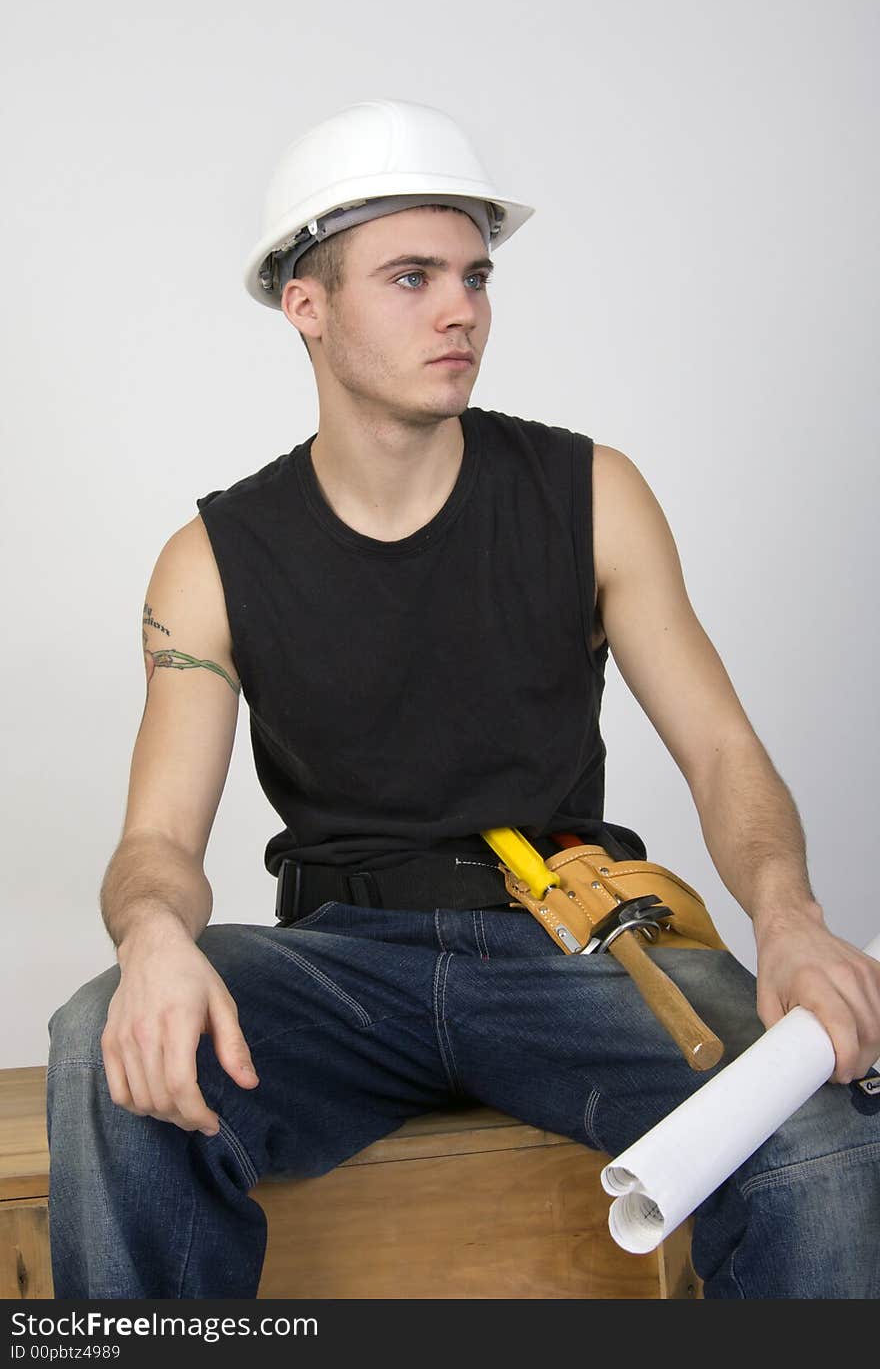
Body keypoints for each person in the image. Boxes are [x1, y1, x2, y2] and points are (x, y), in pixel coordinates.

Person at [46, 98, 880, 1299]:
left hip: (575, 953)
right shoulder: (209, 562)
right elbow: (158, 843)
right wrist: (154, 936)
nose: (462, 310)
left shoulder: (592, 492)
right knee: (99, 1043)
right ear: (307, 306)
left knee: (829, 1124)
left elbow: (721, 750)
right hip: (340, 971)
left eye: (476, 276)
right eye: (411, 276)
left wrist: (789, 911)